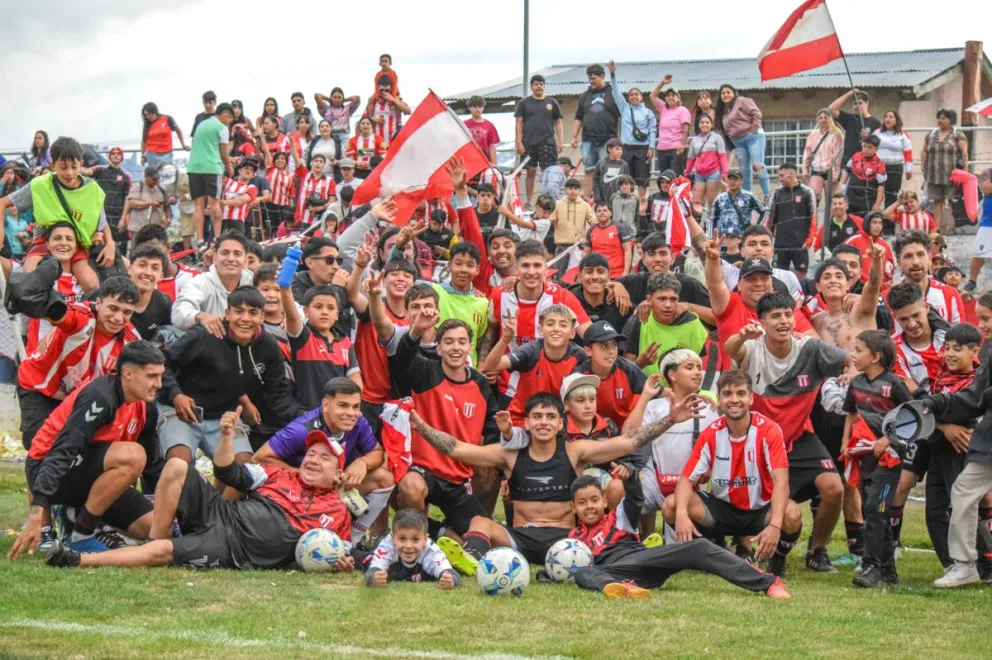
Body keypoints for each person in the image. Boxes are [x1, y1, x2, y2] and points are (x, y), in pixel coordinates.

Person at [45, 408, 353, 570]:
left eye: (323, 457)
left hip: (234, 550)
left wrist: (342, 562)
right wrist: (227, 437)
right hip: (221, 514)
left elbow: (350, 552)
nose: (313, 459)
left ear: (338, 472)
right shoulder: (275, 475)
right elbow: (225, 471)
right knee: (178, 465)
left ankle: (78, 560)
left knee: (163, 554)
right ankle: (157, 537)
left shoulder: (340, 511)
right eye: (310, 453)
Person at [428, 391, 706, 569]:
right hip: (520, 539)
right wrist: (420, 427)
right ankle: (473, 562)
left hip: (570, 539)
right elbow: (457, 449)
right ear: (526, 423)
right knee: (480, 522)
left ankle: (636, 550)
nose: (543, 422)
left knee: (603, 537)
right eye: (536, 417)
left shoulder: (575, 451)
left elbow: (628, 443)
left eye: (550, 417)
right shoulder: (509, 455)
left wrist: (669, 419)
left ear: (562, 424)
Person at [723, 292, 851, 573]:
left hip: (799, 436)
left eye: (788, 314)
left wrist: (851, 372)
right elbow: (733, 348)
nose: (784, 321)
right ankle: (749, 545)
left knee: (834, 489)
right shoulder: (753, 349)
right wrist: (743, 336)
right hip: (760, 440)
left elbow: (850, 360)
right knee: (781, 510)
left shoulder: (811, 348)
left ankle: (818, 550)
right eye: (775, 316)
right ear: (762, 322)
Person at [8, 341, 166, 559]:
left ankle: (83, 516)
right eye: (151, 376)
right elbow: (62, 451)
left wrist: (180, 508)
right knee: (132, 455)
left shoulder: (146, 407)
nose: (158, 384)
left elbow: (154, 467)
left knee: (157, 528)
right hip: (46, 470)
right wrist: (38, 510)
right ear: (128, 373)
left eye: (160, 376)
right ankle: (82, 534)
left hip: (93, 479)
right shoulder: (100, 397)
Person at [664, 370, 804, 578]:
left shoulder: (769, 430)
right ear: (719, 399)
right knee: (671, 506)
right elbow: (686, 479)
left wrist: (775, 525)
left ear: (750, 398)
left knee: (792, 515)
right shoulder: (711, 433)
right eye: (728, 394)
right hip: (723, 509)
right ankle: (706, 553)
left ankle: (777, 557)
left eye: (740, 393)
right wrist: (683, 515)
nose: (734, 400)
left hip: (760, 509)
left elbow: (781, 482)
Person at [569, 473, 788, 600]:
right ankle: (624, 589)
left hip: (645, 559)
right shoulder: (572, 540)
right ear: (573, 507)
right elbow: (562, 564)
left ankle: (768, 583)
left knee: (698, 547)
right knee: (584, 573)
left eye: (594, 500)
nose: (589, 507)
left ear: (604, 501)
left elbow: (635, 497)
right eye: (582, 502)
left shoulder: (618, 518)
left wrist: (631, 475)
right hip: (616, 573)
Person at [388, 311, 499, 540]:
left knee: (481, 539)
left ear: (470, 347)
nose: (455, 348)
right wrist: (416, 330)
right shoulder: (426, 371)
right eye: (448, 342)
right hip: (422, 470)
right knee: (409, 488)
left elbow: (493, 434)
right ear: (438, 349)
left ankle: (440, 532)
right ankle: (420, 543)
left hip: (458, 478)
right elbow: (403, 357)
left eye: (461, 342)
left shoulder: (480, 385)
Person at [159, 286, 300, 465]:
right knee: (179, 461)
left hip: (224, 414)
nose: (245, 319)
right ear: (227, 313)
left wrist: (307, 417)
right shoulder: (205, 334)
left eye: (253, 313)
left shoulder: (268, 345)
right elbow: (162, 362)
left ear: (262, 317)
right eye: (238, 312)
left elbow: (278, 393)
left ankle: (218, 494)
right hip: (181, 409)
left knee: (244, 466)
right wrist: (176, 394)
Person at [255, 378, 393, 545]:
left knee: (384, 478)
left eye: (356, 406)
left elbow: (377, 452)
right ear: (326, 404)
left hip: (333, 484)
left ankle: (352, 539)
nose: (351, 413)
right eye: (343, 405)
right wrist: (300, 473)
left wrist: (363, 462)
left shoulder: (359, 422)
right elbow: (259, 457)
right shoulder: (300, 429)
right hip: (298, 490)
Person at [14, 271, 140, 449]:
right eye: (113, 308)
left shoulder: (131, 340)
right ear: (98, 303)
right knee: (39, 445)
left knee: (75, 448)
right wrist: (40, 299)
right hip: (39, 384)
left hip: (76, 395)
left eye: (127, 312)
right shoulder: (83, 316)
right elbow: (61, 315)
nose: (119, 318)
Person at [840, 330, 914, 587]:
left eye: (858, 350)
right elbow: (851, 415)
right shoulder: (856, 383)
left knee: (875, 509)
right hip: (864, 456)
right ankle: (888, 571)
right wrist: (845, 444)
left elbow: (911, 417)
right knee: (873, 511)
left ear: (876, 356)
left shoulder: (894, 384)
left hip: (889, 459)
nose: (853, 354)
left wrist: (888, 439)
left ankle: (870, 566)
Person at [0, 136, 115, 294]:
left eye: (74, 167)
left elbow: (102, 222)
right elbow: (3, 203)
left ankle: (84, 317)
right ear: (53, 165)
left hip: (77, 244)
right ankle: (34, 317)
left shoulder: (92, 189)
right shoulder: (40, 185)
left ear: (80, 164)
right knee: (30, 276)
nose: (69, 173)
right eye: (63, 167)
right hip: (45, 241)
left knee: (91, 284)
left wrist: (110, 244)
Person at [623, 351, 720, 529]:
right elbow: (629, 435)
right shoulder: (655, 406)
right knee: (618, 494)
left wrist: (711, 467)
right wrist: (645, 396)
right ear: (672, 374)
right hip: (655, 482)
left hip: (692, 487)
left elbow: (721, 448)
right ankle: (627, 544)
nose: (698, 372)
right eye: (689, 367)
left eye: (699, 367)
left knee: (679, 547)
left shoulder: (710, 408)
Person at [481, 304, 585, 426]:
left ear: (572, 333)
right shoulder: (531, 351)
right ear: (540, 330)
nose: (556, 329)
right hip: (521, 420)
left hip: (559, 424)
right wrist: (504, 340)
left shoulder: (579, 356)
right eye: (550, 324)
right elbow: (489, 366)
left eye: (563, 325)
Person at [622, 274, 707, 376]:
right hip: (646, 389)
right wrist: (641, 363)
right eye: (662, 299)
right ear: (649, 300)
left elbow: (700, 368)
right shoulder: (638, 320)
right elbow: (626, 372)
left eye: (673, 299)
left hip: (683, 390)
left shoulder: (692, 323)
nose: (668, 305)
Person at [171, 232, 254, 332]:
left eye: (237, 254)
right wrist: (200, 316)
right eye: (225, 253)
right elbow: (178, 312)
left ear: (245, 261)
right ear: (214, 258)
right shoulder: (200, 282)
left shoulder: (254, 282)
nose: (231, 259)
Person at [572, 321, 646, 428]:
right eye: (604, 346)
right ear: (588, 351)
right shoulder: (579, 377)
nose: (611, 351)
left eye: (614, 345)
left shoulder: (627, 368)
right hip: (599, 432)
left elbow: (659, 392)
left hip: (631, 430)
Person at [365, 509, 459, 589]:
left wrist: (450, 580)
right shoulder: (387, 546)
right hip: (379, 549)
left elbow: (452, 574)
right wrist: (373, 579)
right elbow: (371, 572)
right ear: (393, 538)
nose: (408, 546)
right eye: (402, 539)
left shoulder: (431, 550)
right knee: (365, 560)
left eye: (415, 539)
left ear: (425, 539)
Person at [608, 60, 655, 203]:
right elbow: (616, 92)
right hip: (627, 147)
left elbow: (653, 130)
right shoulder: (624, 108)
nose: (634, 96)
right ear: (628, 98)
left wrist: (651, 147)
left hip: (643, 148)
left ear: (641, 97)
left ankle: (641, 202)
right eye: (631, 95)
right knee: (626, 177)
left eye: (637, 94)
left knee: (642, 178)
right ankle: (627, 200)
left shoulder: (648, 112)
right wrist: (612, 75)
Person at [187, 101, 235, 243]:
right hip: (212, 169)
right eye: (230, 120)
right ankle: (217, 238)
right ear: (226, 116)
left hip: (194, 168)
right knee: (215, 204)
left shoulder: (201, 124)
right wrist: (229, 168)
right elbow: (224, 155)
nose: (229, 123)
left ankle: (200, 240)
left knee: (198, 205)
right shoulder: (222, 128)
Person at [892, 230, 963, 325]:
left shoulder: (950, 295)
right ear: (899, 263)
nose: (916, 262)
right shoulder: (887, 298)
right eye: (908, 256)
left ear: (929, 259)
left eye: (920, 255)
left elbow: (962, 338)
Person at [571, 64, 620, 199]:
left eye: (594, 78)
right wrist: (574, 136)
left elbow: (624, 113)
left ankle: (605, 199)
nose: (591, 81)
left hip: (608, 139)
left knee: (606, 170)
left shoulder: (613, 93)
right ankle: (587, 199)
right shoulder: (585, 96)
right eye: (589, 79)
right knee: (589, 170)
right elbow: (578, 117)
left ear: (602, 76)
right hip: (588, 139)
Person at [514, 74, 564, 202]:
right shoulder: (523, 103)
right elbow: (518, 123)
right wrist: (519, 142)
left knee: (548, 172)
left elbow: (558, 123)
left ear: (544, 86)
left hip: (548, 142)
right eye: (536, 84)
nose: (539, 86)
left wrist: (560, 141)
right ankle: (529, 201)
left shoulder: (552, 102)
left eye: (541, 84)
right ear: (531, 86)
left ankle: (547, 201)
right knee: (530, 171)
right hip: (528, 143)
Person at [715, 85, 769, 197]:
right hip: (738, 142)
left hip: (752, 137)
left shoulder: (742, 101)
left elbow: (756, 113)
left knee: (757, 165)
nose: (726, 95)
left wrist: (754, 129)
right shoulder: (723, 111)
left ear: (734, 93)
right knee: (744, 172)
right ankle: (746, 197)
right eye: (723, 93)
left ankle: (767, 195)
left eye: (728, 92)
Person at [923, 108, 970, 234]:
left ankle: (950, 228)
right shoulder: (932, 134)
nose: (940, 120)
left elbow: (964, 153)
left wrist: (965, 170)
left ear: (951, 120)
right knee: (936, 201)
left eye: (944, 118)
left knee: (950, 201)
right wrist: (923, 165)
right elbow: (925, 150)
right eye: (939, 118)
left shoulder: (957, 134)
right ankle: (936, 229)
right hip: (934, 174)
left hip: (951, 174)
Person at [765, 162, 816, 277]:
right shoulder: (777, 192)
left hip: (800, 243)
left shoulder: (807, 192)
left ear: (791, 174)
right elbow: (771, 218)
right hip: (780, 244)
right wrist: (768, 239)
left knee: (801, 275)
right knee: (778, 275)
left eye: (782, 176)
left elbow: (813, 218)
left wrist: (809, 240)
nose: (780, 179)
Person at [83, 147, 132, 255]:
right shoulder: (101, 170)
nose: (115, 155)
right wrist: (74, 166)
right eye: (113, 153)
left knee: (119, 248)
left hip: (117, 216)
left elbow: (127, 198)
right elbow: (87, 172)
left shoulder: (126, 176)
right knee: (98, 244)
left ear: (122, 157)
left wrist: (124, 218)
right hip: (100, 214)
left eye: (118, 154)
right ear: (109, 156)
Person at [132, 224, 200, 303]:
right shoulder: (137, 281)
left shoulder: (194, 278)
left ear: (168, 247)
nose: (151, 257)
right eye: (145, 253)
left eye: (155, 250)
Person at [569, 254, 629, 339]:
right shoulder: (566, 302)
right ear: (580, 277)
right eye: (589, 272)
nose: (595, 277)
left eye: (600, 272)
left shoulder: (621, 303)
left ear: (609, 275)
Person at [873, 110, 914, 229]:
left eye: (891, 117)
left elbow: (908, 153)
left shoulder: (902, 135)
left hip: (895, 167)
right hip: (879, 167)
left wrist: (909, 169)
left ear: (896, 120)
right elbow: (869, 146)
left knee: (891, 197)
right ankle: (875, 224)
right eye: (886, 117)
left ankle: (888, 227)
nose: (888, 119)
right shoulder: (878, 132)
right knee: (877, 196)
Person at [127, 245, 172, 339]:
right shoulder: (111, 295)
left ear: (161, 276)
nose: (148, 272)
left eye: (155, 268)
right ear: (129, 269)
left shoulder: (164, 304)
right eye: (142, 265)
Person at [841, 212, 896, 290]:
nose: (877, 226)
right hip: (857, 289)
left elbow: (890, 271)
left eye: (880, 223)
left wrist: (884, 287)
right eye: (874, 222)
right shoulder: (854, 240)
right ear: (867, 224)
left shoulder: (885, 245)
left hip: (879, 291)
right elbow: (839, 261)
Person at [649, 75, 690, 177]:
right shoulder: (663, 108)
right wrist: (662, 83)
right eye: (668, 95)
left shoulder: (682, 110)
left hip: (676, 148)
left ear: (678, 98)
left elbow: (686, 129)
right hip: (662, 148)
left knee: (676, 176)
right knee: (665, 177)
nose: (670, 97)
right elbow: (652, 96)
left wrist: (682, 144)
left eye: (673, 95)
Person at [802, 109, 844, 208]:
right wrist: (805, 169)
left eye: (826, 117)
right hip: (817, 168)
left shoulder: (837, 134)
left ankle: (830, 222)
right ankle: (813, 220)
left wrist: (835, 173)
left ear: (830, 119)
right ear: (817, 119)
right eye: (821, 118)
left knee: (832, 199)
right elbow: (807, 152)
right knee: (813, 196)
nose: (823, 120)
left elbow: (838, 155)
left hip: (831, 169)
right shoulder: (813, 134)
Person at [685, 114, 728, 210]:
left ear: (711, 125)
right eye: (702, 122)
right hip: (699, 174)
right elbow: (691, 159)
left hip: (714, 173)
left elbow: (722, 156)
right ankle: (698, 223)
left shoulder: (717, 137)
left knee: (711, 202)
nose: (705, 125)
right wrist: (686, 173)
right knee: (696, 201)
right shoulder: (694, 140)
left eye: (707, 122)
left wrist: (725, 172)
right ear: (698, 125)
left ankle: (712, 224)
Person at [828, 90, 883, 165]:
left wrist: (868, 138)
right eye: (854, 104)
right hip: (848, 161)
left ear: (866, 104)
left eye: (860, 103)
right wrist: (848, 94)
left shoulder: (876, 122)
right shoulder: (849, 118)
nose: (857, 106)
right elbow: (831, 109)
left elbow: (879, 144)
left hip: (866, 163)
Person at [842, 135, 887, 218]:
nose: (866, 149)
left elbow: (881, 186)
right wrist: (841, 186)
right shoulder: (856, 156)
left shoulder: (879, 164)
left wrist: (877, 204)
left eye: (870, 147)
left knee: (864, 222)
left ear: (876, 149)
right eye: (864, 146)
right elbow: (847, 170)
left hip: (867, 200)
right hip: (851, 197)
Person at [123, 166, 169, 247]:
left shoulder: (161, 190)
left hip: (155, 229)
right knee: (137, 251)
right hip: (139, 228)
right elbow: (131, 202)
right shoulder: (138, 187)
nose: (155, 181)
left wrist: (168, 220)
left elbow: (167, 207)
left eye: (157, 179)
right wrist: (149, 203)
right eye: (153, 179)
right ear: (146, 177)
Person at [711, 169, 766, 236]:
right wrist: (713, 236)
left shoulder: (749, 196)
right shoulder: (720, 198)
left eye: (735, 179)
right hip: (724, 239)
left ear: (741, 181)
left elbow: (763, 210)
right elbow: (714, 218)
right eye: (730, 179)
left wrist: (754, 228)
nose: (732, 182)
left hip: (743, 237)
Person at [585, 201, 632, 279]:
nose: (602, 213)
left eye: (605, 210)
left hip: (618, 274)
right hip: (599, 274)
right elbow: (586, 253)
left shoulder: (619, 227)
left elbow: (628, 250)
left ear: (611, 213)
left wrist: (626, 272)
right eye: (599, 211)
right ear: (595, 214)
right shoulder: (591, 230)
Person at [315, 87, 361, 161]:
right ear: (331, 98)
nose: (337, 99)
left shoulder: (347, 109)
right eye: (335, 97)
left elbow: (357, 98)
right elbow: (317, 96)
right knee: (331, 156)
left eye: (339, 97)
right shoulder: (326, 108)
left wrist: (344, 100)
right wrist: (328, 99)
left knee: (347, 157)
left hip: (344, 136)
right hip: (330, 136)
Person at [551, 178, 594, 254]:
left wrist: (593, 221)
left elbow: (593, 221)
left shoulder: (585, 205)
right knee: (560, 266)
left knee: (577, 266)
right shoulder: (558, 204)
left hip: (579, 244)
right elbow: (551, 220)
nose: (573, 191)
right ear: (565, 190)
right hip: (561, 244)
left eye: (575, 188)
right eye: (570, 188)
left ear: (579, 190)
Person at [366, 76, 410, 149]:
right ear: (378, 89)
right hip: (376, 143)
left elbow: (408, 111)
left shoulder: (395, 100)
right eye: (382, 90)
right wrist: (372, 119)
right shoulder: (373, 101)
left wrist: (393, 100)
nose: (384, 92)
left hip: (393, 141)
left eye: (387, 90)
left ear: (391, 89)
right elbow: (364, 120)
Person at [140, 102, 189, 167]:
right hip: (152, 154)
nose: (148, 117)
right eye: (146, 115)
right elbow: (144, 140)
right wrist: (143, 156)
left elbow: (178, 130)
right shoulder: (147, 124)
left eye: (149, 114)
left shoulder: (167, 118)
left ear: (154, 111)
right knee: (154, 176)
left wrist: (183, 145)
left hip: (167, 153)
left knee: (167, 173)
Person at [218, 159, 259, 234]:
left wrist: (221, 202)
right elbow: (215, 176)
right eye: (246, 168)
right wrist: (230, 165)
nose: (248, 171)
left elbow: (240, 201)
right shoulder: (228, 182)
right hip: (221, 220)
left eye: (251, 170)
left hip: (237, 221)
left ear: (253, 175)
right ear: (239, 170)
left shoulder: (252, 187)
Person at [294, 154, 336, 227]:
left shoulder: (330, 180)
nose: (318, 163)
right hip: (305, 218)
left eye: (321, 161)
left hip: (320, 218)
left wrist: (320, 208)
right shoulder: (305, 175)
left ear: (324, 165)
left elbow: (332, 201)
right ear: (311, 163)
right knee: (305, 238)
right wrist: (291, 142)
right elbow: (296, 159)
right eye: (316, 161)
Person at [464, 95, 501, 165]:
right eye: (475, 107)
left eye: (480, 107)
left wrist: (494, 164)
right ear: (469, 108)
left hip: (485, 162)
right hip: (468, 161)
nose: (477, 109)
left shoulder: (489, 125)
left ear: (483, 108)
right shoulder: (464, 125)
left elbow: (492, 147)